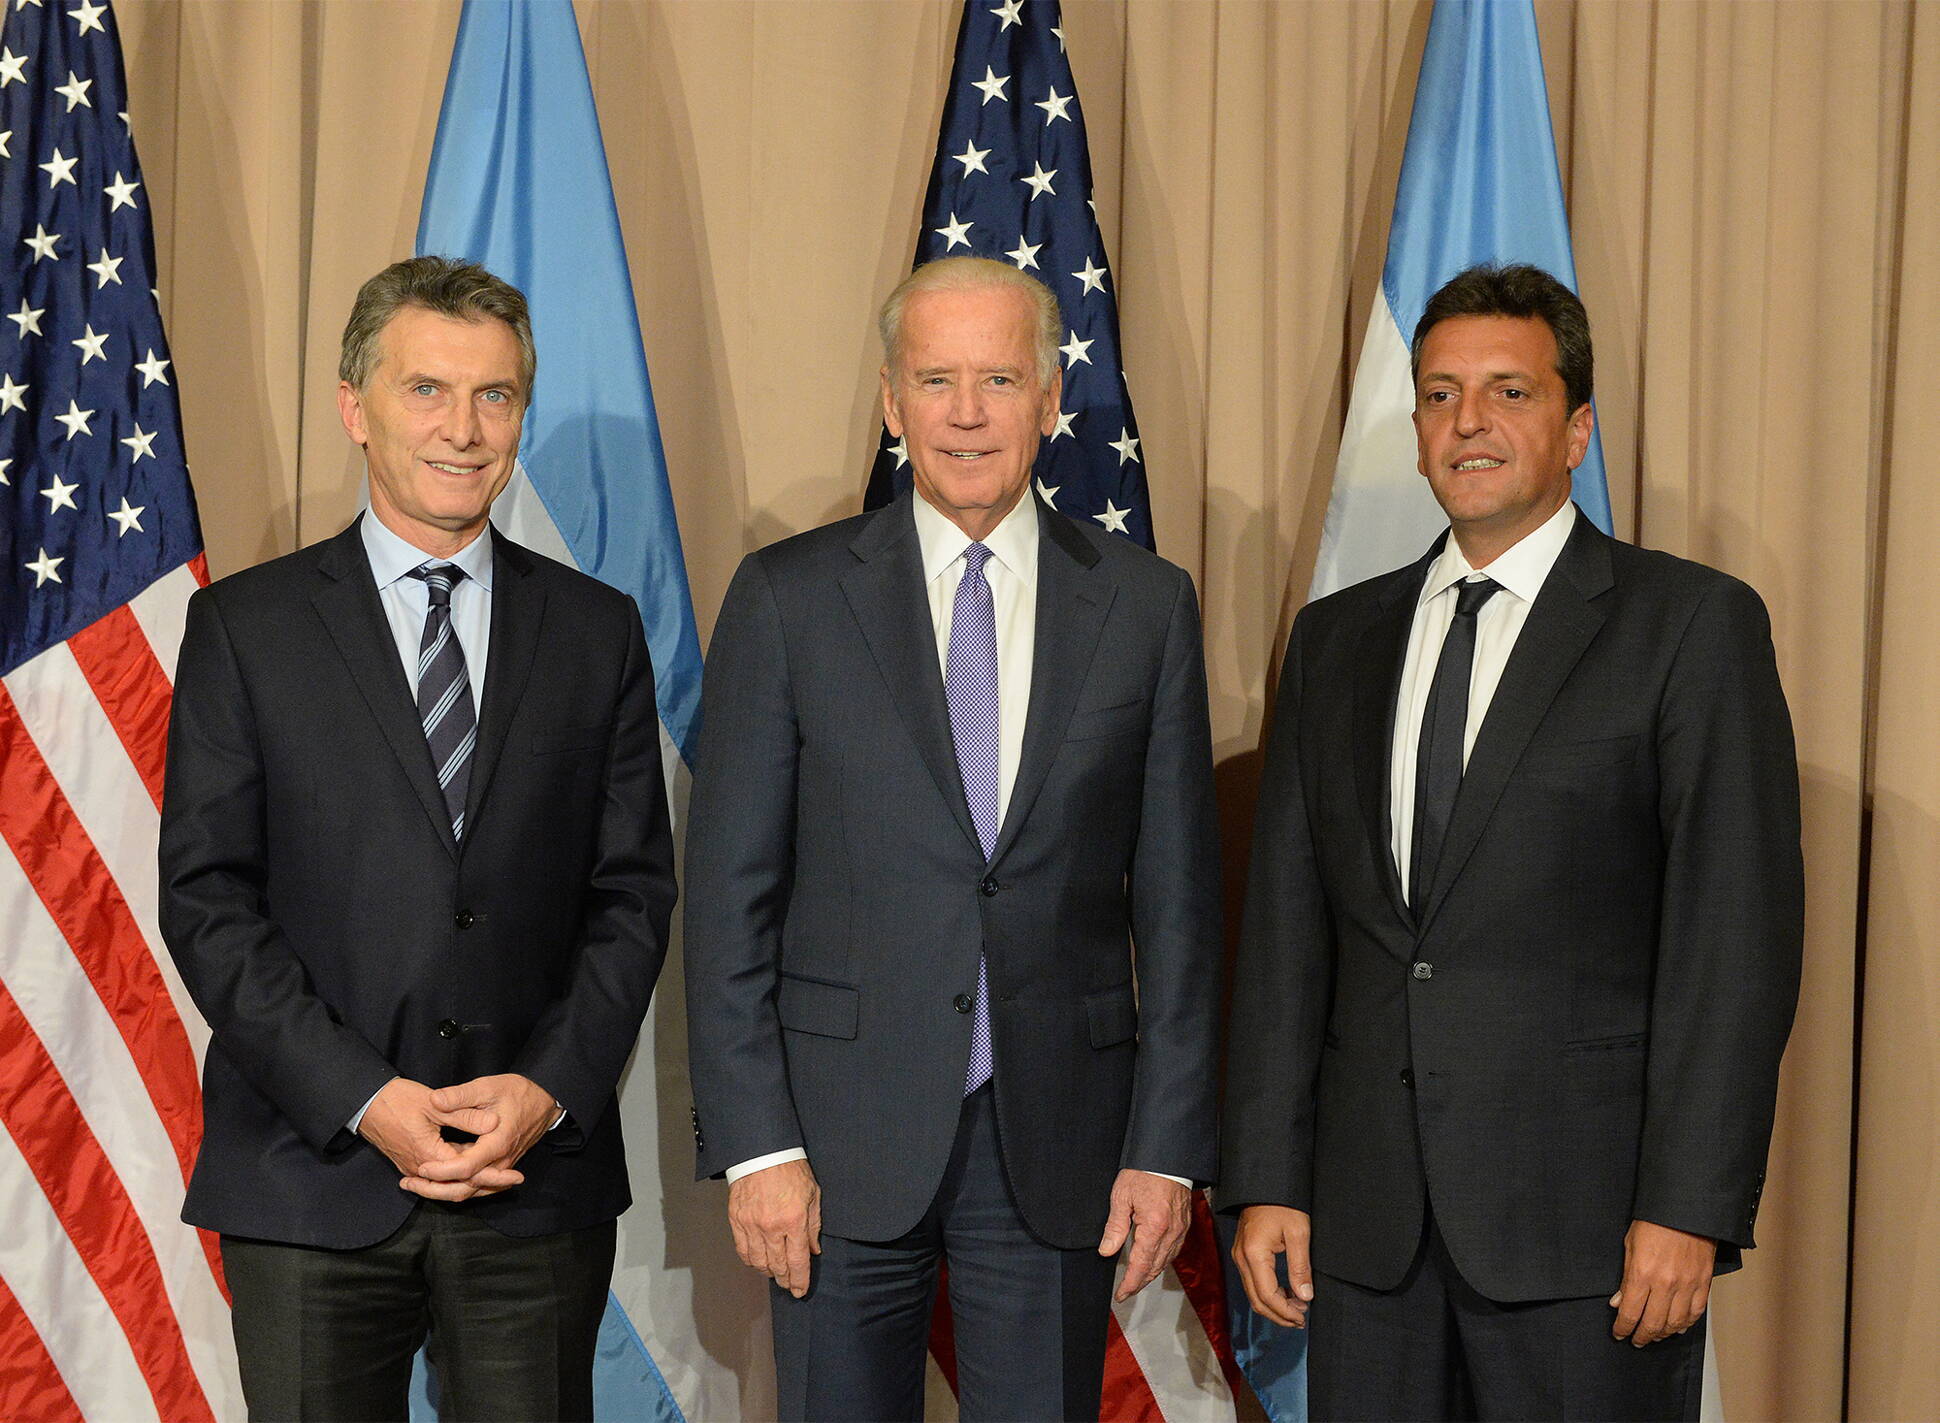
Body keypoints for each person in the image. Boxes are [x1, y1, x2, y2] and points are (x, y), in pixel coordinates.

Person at [1222, 263, 1804, 1422]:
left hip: (1586, 1238)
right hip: (1367, 1231)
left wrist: (1686, 1205)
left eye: (1507, 392)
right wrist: (1267, 1178)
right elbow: (1290, 934)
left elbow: (1729, 946)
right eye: (1437, 396)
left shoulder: (1687, 626)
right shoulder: (1336, 640)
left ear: (1575, 426)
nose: (1467, 423)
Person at [684, 255, 1221, 1421]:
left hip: (1059, 1141)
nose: (965, 412)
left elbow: (1177, 909)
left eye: (996, 378)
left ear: (1050, 397)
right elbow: (728, 901)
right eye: (934, 380)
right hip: (830, 1141)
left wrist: (1166, 1146)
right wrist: (757, 1143)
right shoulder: (786, 597)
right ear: (890, 401)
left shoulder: (1144, 605)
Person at [159, 256, 675, 1421]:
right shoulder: (246, 628)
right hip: (310, 1177)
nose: (463, 427)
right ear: (356, 406)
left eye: (494, 395)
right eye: (427, 390)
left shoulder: (596, 632)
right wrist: (364, 1096)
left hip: (530, 1182)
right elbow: (206, 898)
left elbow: (633, 893)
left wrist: (546, 1090)